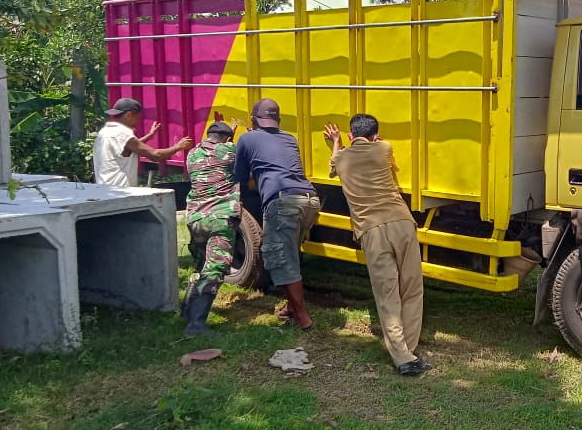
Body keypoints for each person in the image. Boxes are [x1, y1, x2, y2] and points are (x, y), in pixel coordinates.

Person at [323, 115, 432, 376]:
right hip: (401, 223)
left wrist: (336, 142)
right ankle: (410, 349)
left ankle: (403, 356)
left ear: (351, 135)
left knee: (387, 293)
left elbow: (333, 167)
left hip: (370, 230)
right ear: (376, 135)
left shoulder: (341, 158)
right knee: (412, 287)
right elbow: (381, 150)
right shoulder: (384, 148)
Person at [233, 98, 321, 331]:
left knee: (280, 258)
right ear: (278, 120)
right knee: (291, 251)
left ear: (253, 120)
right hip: (310, 199)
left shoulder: (247, 139)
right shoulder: (289, 138)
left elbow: (240, 176)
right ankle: (291, 307)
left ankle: (302, 318)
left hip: (283, 201)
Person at [181, 121, 240, 336]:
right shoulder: (229, 151)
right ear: (227, 139)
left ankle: (186, 311)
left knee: (200, 266)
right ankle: (195, 326)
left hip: (196, 218)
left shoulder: (193, 153)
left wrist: (229, 136)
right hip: (219, 218)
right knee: (214, 269)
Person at [92, 97, 194, 187]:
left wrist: (149, 136)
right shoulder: (122, 133)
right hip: (121, 192)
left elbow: (127, 149)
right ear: (129, 114)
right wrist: (178, 146)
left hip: (105, 189)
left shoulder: (105, 132)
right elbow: (155, 155)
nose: (137, 122)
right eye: (137, 118)